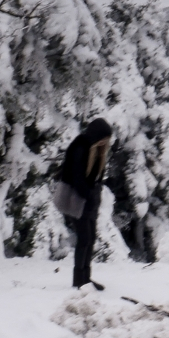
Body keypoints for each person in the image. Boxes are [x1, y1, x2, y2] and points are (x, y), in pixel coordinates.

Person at [58, 118, 113, 290]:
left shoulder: (98, 150)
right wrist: (89, 194)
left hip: (89, 201)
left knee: (91, 239)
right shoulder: (80, 148)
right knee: (84, 239)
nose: (105, 142)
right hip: (76, 200)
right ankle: (79, 280)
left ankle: (86, 278)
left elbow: (96, 177)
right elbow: (77, 178)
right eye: (103, 138)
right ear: (96, 135)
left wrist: (94, 195)